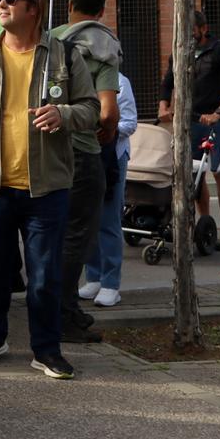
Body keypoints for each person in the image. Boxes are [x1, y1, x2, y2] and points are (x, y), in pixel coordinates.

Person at [0, 0, 99, 381]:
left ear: (34, 8)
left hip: (46, 186)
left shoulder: (64, 55)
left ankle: (46, 349)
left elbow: (92, 109)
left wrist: (65, 114)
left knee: (43, 276)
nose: (1, 5)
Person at [50, 0, 121, 342]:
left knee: (50, 235)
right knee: (78, 234)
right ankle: (62, 315)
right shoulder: (103, 45)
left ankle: (55, 309)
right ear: (102, 10)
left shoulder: (49, 40)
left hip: (46, 150)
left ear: (69, 4)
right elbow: (108, 110)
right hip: (82, 151)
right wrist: (105, 131)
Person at [159, 10, 220, 250]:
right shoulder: (179, 53)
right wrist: (163, 106)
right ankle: (204, 224)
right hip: (190, 121)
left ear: (203, 29)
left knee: (219, 171)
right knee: (195, 174)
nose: (187, 35)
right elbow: (167, 84)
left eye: (191, 30)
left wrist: (218, 113)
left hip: (217, 120)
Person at [83, 73, 137, 304]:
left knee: (108, 220)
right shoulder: (81, 78)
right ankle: (93, 277)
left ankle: (110, 284)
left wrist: (108, 128)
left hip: (111, 158)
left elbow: (130, 122)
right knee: (87, 221)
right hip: (85, 158)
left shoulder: (119, 81)